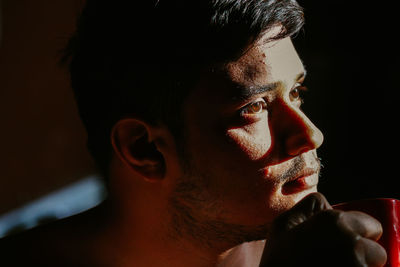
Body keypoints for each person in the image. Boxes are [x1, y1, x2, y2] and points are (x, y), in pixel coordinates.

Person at [0, 0, 387, 266]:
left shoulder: (342, 249)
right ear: (145, 149)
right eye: (253, 108)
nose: (310, 135)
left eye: (296, 93)